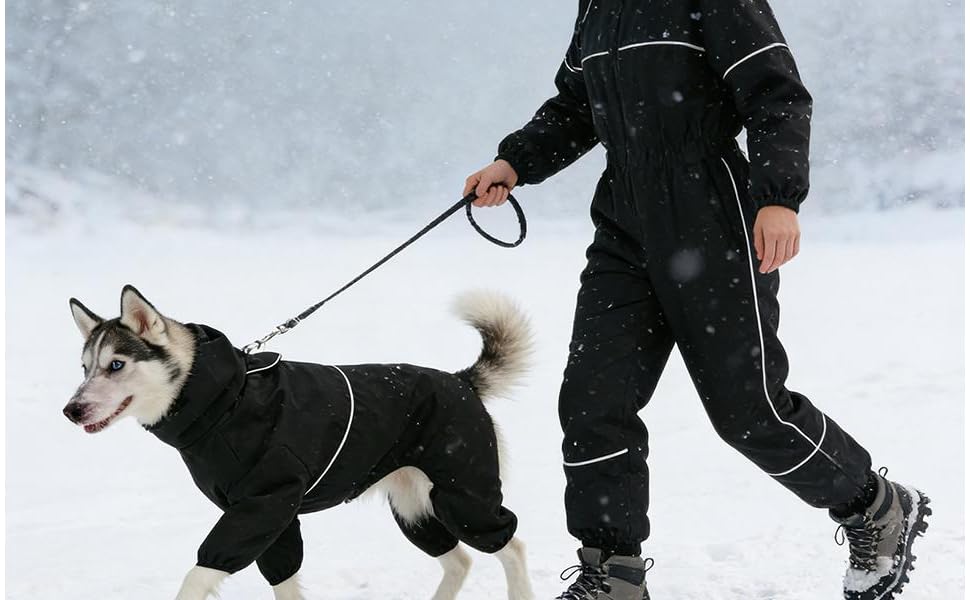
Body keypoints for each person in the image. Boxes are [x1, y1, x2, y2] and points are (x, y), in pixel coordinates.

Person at [462, 2, 931, 599]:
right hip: (624, 223)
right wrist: (515, 161)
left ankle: (873, 506)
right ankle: (614, 574)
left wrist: (778, 197)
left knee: (748, 411)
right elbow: (578, 105)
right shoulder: (598, 7)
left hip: (712, 216)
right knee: (592, 400)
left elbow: (776, 92)